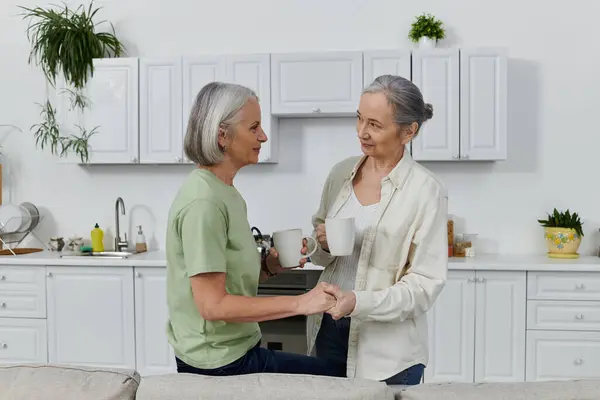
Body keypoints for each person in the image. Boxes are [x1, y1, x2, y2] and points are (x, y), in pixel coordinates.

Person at [165, 81, 340, 377]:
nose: (264, 136)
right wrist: (302, 302)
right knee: (336, 382)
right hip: (219, 363)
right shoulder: (203, 202)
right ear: (223, 135)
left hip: (238, 350)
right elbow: (213, 306)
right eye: (254, 127)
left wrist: (270, 265)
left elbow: (226, 276)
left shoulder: (225, 191)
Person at [306, 75, 449, 385]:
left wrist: (358, 302)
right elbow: (321, 255)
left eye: (375, 124)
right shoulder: (341, 173)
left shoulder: (426, 191)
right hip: (329, 328)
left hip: (387, 350)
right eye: (359, 119)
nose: (362, 132)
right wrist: (322, 246)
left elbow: (424, 287)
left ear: (409, 131)